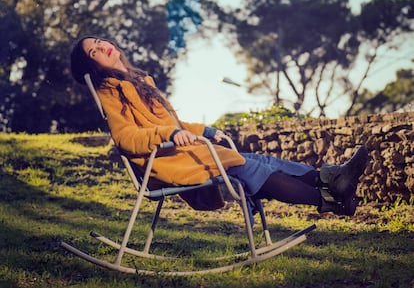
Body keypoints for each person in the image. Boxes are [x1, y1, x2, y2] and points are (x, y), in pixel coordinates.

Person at [70, 36, 369, 216]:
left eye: (100, 42)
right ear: (92, 66)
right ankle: (333, 199)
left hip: (187, 153)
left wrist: (206, 131)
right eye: (93, 52)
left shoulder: (142, 82)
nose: (102, 47)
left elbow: (175, 123)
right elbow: (125, 138)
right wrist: (170, 135)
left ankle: (333, 178)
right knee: (252, 170)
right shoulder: (109, 91)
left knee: (261, 160)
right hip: (167, 164)